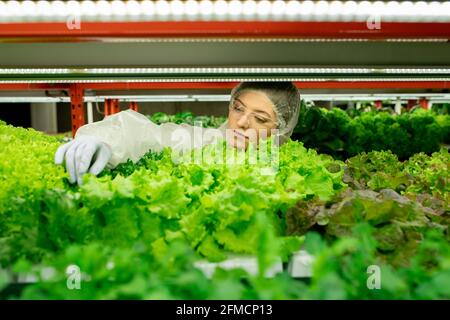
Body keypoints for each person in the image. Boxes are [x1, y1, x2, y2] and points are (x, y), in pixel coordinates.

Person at [55, 82, 301, 185]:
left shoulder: (287, 174)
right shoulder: (202, 143)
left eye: (260, 118)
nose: (242, 122)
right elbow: (145, 135)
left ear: (281, 131)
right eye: (238, 108)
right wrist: (103, 141)